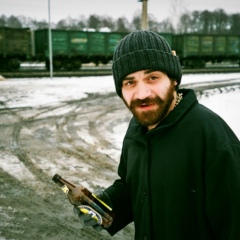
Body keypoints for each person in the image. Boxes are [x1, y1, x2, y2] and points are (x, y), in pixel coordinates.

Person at [74, 30, 240, 240]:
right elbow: (134, 186)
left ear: (174, 80)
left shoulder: (212, 138)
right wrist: (107, 204)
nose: (142, 94)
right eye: (130, 82)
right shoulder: (137, 129)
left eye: (152, 77)